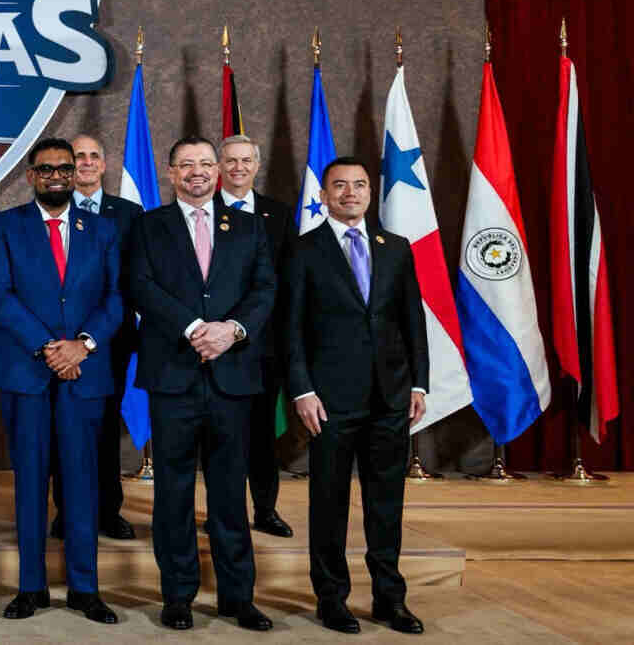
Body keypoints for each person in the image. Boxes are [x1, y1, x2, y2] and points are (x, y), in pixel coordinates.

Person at [125, 136, 276, 632]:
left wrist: (232, 330)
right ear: (171, 173)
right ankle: (178, 596)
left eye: (206, 164)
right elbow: (140, 285)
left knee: (230, 493)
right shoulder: (148, 226)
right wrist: (194, 328)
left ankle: (238, 597)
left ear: (219, 171)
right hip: (174, 376)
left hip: (232, 377)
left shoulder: (249, 226)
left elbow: (265, 289)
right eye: (186, 164)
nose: (197, 172)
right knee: (173, 493)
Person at [284, 157, 428, 635]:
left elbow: (412, 320)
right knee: (329, 504)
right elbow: (291, 328)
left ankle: (390, 599)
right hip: (329, 401)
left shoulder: (396, 248)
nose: (350, 193)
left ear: (370, 192)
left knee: (386, 505)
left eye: (360, 185)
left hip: (390, 397)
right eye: (340, 185)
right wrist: (302, 389)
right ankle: (332, 598)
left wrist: (419, 383)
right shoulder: (303, 250)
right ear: (323, 195)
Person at [0, 138, 122, 624]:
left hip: (85, 373)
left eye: (65, 168)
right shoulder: (5, 226)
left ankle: (85, 589)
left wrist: (82, 345)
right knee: (30, 483)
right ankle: (31, 587)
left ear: (76, 173)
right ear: (31, 176)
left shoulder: (102, 229)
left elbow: (115, 298)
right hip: (27, 373)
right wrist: (48, 348)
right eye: (47, 169)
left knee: (83, 483)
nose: (57, 175)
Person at [48, 133, 144, 542]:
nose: (86, 162)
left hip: (110, 340)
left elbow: (134, 279)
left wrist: (96, 335)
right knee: (62, 428)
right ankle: (66, 511)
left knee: (105, 428)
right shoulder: (51, 208)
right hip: (59, 343)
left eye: (93, 156)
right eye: (78, 157)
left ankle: (108, 510)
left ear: (104, 165)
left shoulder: (130, 214)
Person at [217, 134, 296, 538]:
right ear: (219, 166)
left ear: (257, 165)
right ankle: (223, 513)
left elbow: (288, 281)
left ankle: (265, 509)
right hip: (213, 344)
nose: (238, 168)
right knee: (220, 437)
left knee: (263, 435)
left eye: (245, 160)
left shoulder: (278, 215)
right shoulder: (202, 210)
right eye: (230, 160)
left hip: (263, 346)